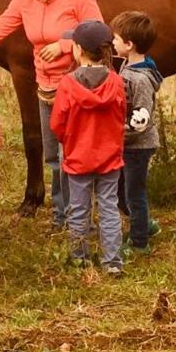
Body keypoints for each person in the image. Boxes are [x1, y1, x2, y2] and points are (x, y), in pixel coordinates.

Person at [0, 0, 103, 231]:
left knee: (69, 156)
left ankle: (77, 217)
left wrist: (63, 45)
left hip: (75, 87)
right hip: (45, 88)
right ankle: (62, 215)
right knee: (53, 157)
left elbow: (99, 31)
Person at [50, 20, 126, 275]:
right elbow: (121, 116)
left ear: (78, 49)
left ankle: (79, 257)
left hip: (78, 157)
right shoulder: (116, 82)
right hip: (109, 157)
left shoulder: (68, 84)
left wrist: (69, 140)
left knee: (79, 209)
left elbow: (57, 123)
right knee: (109, 207)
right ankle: (113, 261)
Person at [110, 10, 164, 255]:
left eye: (116, 39)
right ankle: (143, 225)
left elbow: (141, 118)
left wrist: (116, 131)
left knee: (134, 193)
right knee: (123, 190)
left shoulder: (139, 78)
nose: (112, 42)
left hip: (138, 146)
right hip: (128, 145)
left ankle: (140, 241)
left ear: (129, 45)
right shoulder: (129, 68)